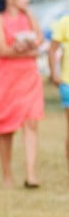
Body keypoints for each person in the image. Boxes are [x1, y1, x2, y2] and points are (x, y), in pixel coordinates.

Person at [0, 0, 44, 188]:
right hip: (8, 78)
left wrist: (26, 48)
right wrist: (26, 51)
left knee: (32, 122)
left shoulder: (29, 16)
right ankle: (7, 174)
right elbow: (3, 49)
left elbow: (40, 41)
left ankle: (31, 174)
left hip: (29, 76)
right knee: (7, 126)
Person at [48, 12, 69, 170]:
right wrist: (54, 74)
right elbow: (52, 50)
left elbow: (52, 50)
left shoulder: (64, 21)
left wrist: (54, 74)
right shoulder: (64, 22)